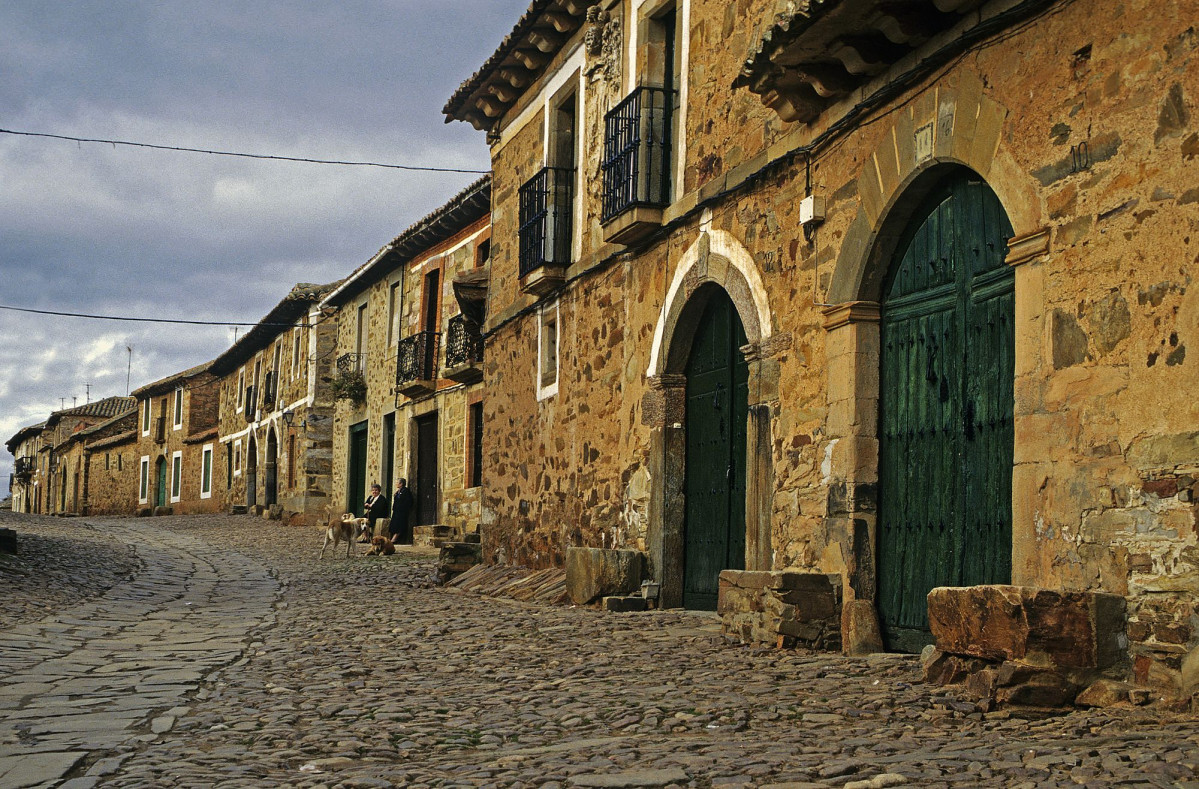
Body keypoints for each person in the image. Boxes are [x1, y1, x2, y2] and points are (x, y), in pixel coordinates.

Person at [391, 478, 415, 545]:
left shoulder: (405, 491)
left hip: (402, 511)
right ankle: (394, 538)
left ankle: (394, 539)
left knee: (400, 525)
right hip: (396, 511)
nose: (396, 484)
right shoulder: (398, 491)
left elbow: (408, 501)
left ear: (401, 484)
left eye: (397, 482)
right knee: (395, 525)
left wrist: (404, 508)